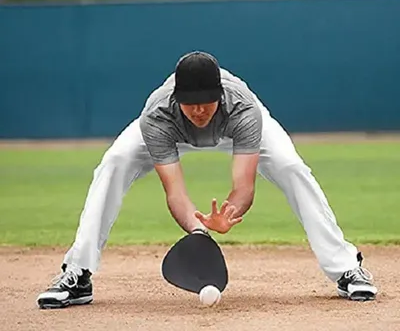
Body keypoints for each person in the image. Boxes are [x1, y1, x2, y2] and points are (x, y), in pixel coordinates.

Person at [37, 51, 377, 309]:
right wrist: (198, 229)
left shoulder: (243, 109)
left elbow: (244, 186)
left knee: (291, 167)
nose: (199, 110)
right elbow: (175, 192)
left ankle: (347, 268)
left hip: (235, 125)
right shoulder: (158, 114)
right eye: (190, 104)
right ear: (176, 98)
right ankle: (77, 273)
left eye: (206, 102)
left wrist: (228, 214)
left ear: (220, 93)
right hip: (169, 129)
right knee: (114, 161)